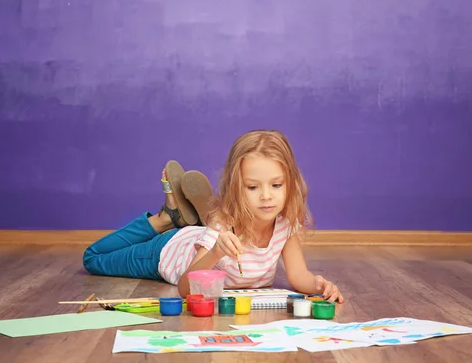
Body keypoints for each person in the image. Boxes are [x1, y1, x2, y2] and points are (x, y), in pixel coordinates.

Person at [83, 130, 344, 303]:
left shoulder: (285, 226)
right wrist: (216, 252)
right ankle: (164, 220)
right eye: (253, 187)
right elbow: (186, 288)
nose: (266, 196)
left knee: (206, 232)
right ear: (235, 187)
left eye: (276, 185)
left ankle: (186, 219)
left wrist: (319, 285)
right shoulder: (223, 224)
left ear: (291, 184)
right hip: (167, 251)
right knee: (93, 258)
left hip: (200, 237)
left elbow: (299, 276)